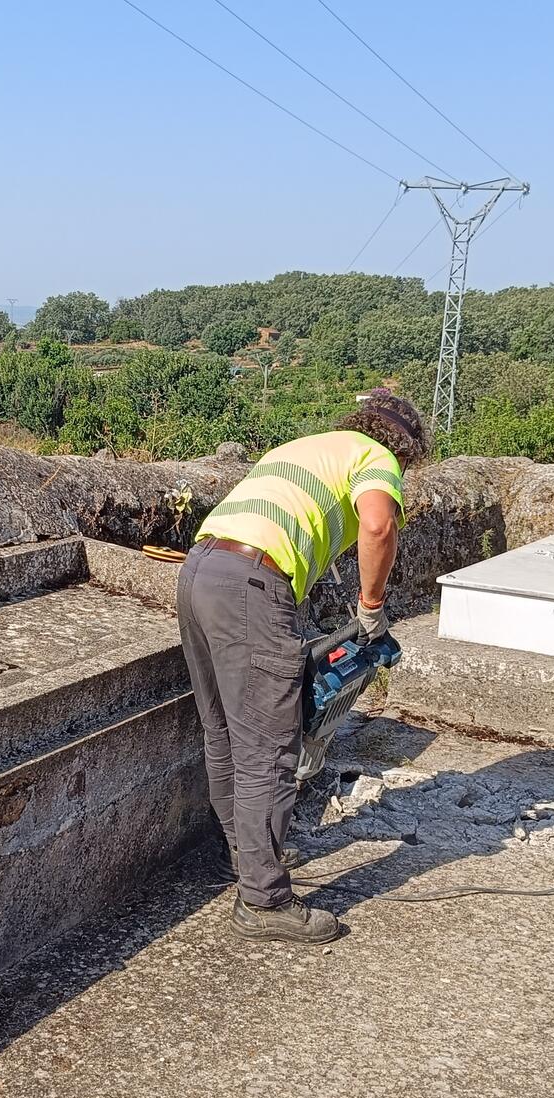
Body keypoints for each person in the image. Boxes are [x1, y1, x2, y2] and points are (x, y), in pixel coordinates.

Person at [176, 390, 429, 945]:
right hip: (253, 582)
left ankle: (246, 859)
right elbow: (379, 527)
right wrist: (370, 606)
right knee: (268, 748)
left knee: (223, 734)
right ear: (405, 450)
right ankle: (264, 901)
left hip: (202, 568)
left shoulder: (307, 446)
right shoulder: (376, 457)